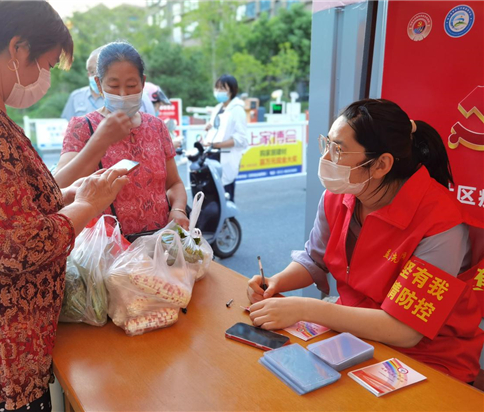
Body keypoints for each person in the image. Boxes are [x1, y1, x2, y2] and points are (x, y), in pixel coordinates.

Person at [0, 1, 130, 410]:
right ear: (17, 48)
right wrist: (89, 205)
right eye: (45, 62)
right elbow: (18, 247)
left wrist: (66, 198)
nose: (44, 77)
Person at [247, 99, 483, 384]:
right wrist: (276, 282)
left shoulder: (441, 223)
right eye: (327, 145)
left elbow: (406, 330)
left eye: (339, 150)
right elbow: (315, 259)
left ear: (381, 164)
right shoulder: (339, 194)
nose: (327, 159)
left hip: (429, 357)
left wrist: (305, 308)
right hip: (353, 336)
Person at [53, 41, 189, 236]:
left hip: (159, 243)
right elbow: (58, 187)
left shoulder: (156, 127)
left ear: (143, 82)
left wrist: (178, 210)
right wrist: (100, 140)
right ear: (99, 84)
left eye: (132, 85)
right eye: (114, 85)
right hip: (109, 250)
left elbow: (174, 183)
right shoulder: (83, 127)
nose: (123, 94)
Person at [203, 74, 248, 202]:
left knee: (225, 197)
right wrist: (209, 127)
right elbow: (219, 129)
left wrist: (217, 145)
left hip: (225, 158)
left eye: (222, 89)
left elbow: (241, 139)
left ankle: (227, 222)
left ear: (232, 91)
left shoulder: (237, 110)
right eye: (217, 88)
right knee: (212, 197)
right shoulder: (218, 108)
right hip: (212, 156)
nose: (218, 92)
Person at [60, 46, 104, 121]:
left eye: (99, 73)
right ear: (88, 75)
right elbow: (67, 123)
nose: (97, 77)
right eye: (93, 72)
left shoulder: (112, 97)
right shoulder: (76, 96)